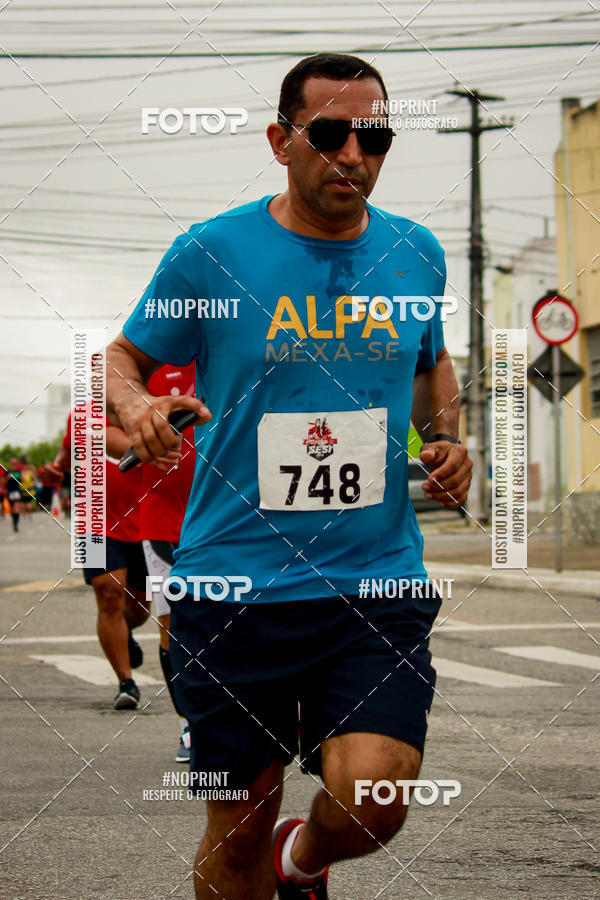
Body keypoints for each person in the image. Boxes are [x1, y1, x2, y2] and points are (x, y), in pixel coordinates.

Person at [106, 53, 472, 900]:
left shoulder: (415, 253)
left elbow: (430, 366)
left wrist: (445, 436)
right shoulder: (210, 253)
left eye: (373, 136)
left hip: (374, 583)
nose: (353, 153)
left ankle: (299, 864)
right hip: (234, 587)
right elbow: (124, 357)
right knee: (237, 830)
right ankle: (263, 859)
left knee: (374, 802)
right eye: (331, 133)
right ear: (282, 140)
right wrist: (135, 409)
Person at [46, 413, 155, 710]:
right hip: (95, 523)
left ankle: (123, 633)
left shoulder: (147, 407)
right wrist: (57, 467)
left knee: (140, 608)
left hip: (146, 522)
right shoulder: (80, 413)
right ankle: (126, 683)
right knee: (108, 593)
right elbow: (67, 450)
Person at [140, 363, 196, 762]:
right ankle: (188, 725)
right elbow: (102, 431)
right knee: (173, 626)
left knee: (245, 619)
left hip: (237, 513)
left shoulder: (240, 339)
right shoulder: (144, 359)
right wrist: (141, 442)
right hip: (164, 518)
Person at [5, 458, 23, 532]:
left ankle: (16, 525)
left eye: (15, 464)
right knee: (12, 509)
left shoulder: (19, 472)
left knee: (16, 508)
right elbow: (3, 482)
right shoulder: (7, 472)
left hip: (17, 491)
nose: (13, 465)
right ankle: (14, 521)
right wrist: (7, 478)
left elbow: (22, 481)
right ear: (10, 464)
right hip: (10, 492)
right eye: (12, 464)